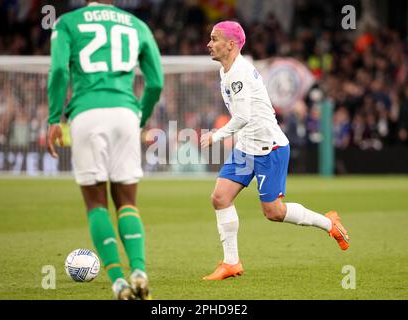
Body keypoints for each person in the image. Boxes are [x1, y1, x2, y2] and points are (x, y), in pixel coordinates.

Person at [200, 21, 349, 281]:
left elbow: (244, 116)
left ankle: (329, 223)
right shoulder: (226, 71)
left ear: (231, 44)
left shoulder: (239, 73)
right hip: (246, 147)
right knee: (220, 197)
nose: (209, 44)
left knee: (274, 212)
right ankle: (231, 263)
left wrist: (217, 135)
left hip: (270, 148)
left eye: (214, 39)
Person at [46, 0, 163, 299]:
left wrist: (53, 118)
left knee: (96, 204)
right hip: (125, 112)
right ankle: (139, 271)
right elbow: (156, 83)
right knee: (127, 202)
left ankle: (118, 282)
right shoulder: (137, 25)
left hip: (86, 114)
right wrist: (140, 116)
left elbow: (59, 71)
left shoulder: (67, 23)